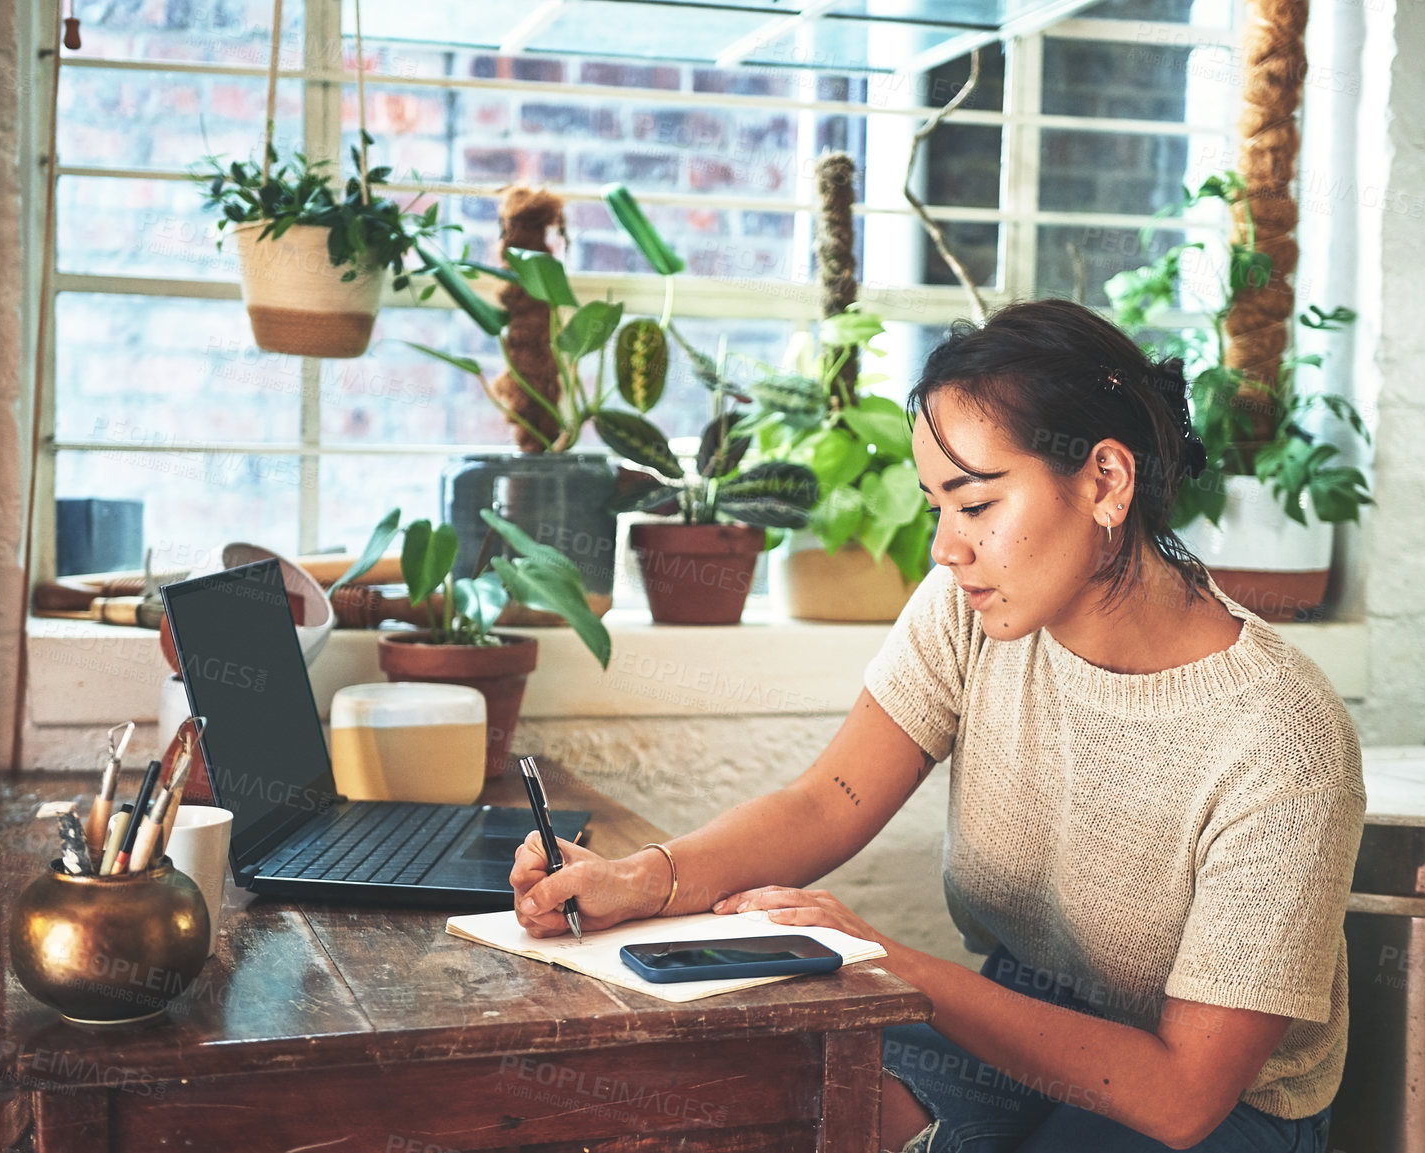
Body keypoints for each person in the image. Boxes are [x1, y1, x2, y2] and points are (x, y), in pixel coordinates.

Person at [509, 298, 1364, 1152]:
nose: (946, 548)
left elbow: (1181, 1095)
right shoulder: (972, 607)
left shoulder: (1281, 740)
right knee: (761, 1089)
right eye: (936, 508)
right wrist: (641, 879)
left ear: (1106, 481)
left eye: (976, 502)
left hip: (1210, 1106)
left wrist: (890, 961)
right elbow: (827, 802)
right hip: (1018, 1010)